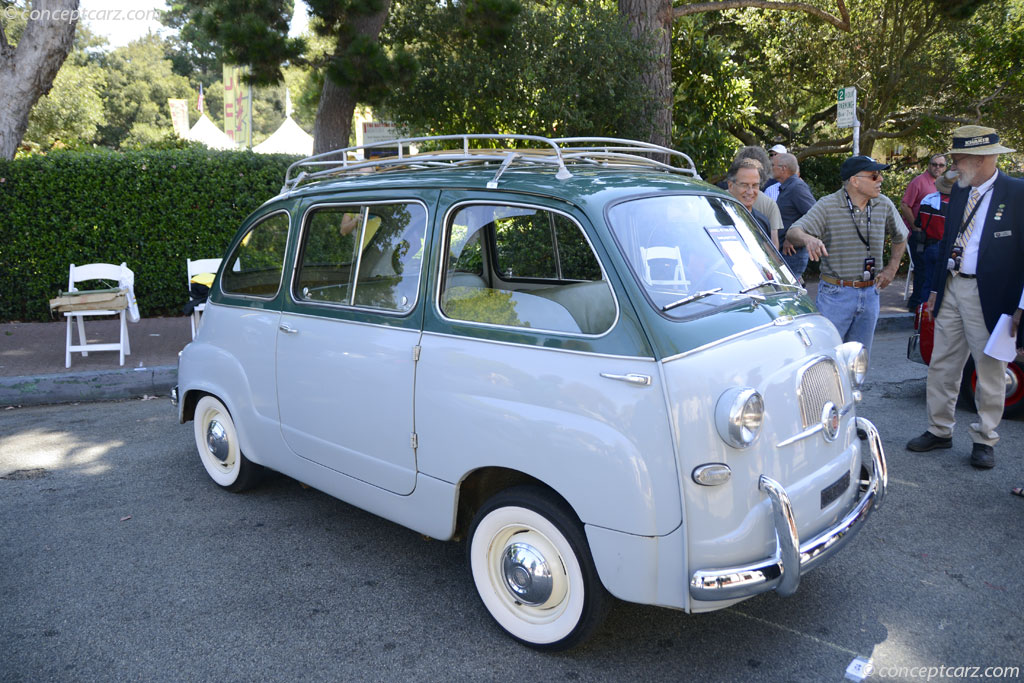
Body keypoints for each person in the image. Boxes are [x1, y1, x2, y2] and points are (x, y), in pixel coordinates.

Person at [906, 125, 1024, 469]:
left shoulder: (1017, 193)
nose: (954, 164)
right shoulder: (959, 192)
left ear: (984, 158)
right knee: (942, 363)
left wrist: (1021, 305)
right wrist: (933, 290)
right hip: (952, 286)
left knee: (990, 370)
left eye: (959, 158)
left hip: (991, 295)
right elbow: (945, 246)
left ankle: (985, 438)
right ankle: (939, 430)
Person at [784, 155, 908, 363]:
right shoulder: (829, 205)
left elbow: (901, 235)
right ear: (855, 180)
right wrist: (807, 238)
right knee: (827, 360)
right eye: (874, 175)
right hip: (835, 295)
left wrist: (892, 268)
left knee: (858, 363)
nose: (881, 180)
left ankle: (854, 397)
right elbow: (793, 232)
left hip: (870, 293)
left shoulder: (883, 204)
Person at [901, 154, 947, 310]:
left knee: (930, 274)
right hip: (920, 236)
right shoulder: (919, 182)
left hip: (935, 237)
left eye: (941, 165)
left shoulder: (944, 184)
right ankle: (916, 308)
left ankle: (923, 308)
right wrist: (916, 228)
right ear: (929, 165)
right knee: (923, 273)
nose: (937, 168)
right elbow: (905, 205)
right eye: (934, 164)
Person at [910, 170, 955, 310]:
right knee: (945, 287)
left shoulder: (927, 200)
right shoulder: (953, 205)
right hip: (944, 248)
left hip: (927, 247)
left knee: (927, 283)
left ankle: (923, 320)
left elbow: (918, 223)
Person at [772, 152, 816, 282]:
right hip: (785, 255)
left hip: (791, 255)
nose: (771, 168)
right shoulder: (788, 187)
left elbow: (815, 216)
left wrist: (792, 237)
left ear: (783, 168)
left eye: (773, 165)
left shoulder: (797, 187)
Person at [727, 158, 777, 247]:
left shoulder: (762, 222)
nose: (750, 192)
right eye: (744, 185)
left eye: (754, 185)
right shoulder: (716, 218)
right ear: (730, 186)